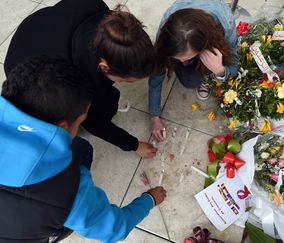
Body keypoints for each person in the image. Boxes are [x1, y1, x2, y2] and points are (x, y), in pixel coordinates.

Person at [0, 56, 167, 243]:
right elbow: (115, 229)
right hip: (24, 232)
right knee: (79, 156)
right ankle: (55, 231)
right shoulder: (67, 191)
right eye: (81, 121)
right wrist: (149, 200)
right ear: (62, 127)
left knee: (81, 148)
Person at [4, 0, 157, 158]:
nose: (128, 83)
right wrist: (135, 145)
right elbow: (96, 124)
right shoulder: (76, 84)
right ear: (104, 67)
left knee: (107, 99)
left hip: (36, 29)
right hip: (22, 68)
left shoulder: (99, 10)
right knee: (97, 111)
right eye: (127, 81)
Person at [148, 0, 239, 141]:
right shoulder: (168, 24)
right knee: (190, 81)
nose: (182, 63)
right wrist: (154, 116)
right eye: (177, 58)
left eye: (187, 58)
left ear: (205, 46)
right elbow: (157, 72)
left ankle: (209, 70)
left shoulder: (224, 21)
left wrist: (219, 70)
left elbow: (234, 65)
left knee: (202, 74)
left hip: (214, 36)